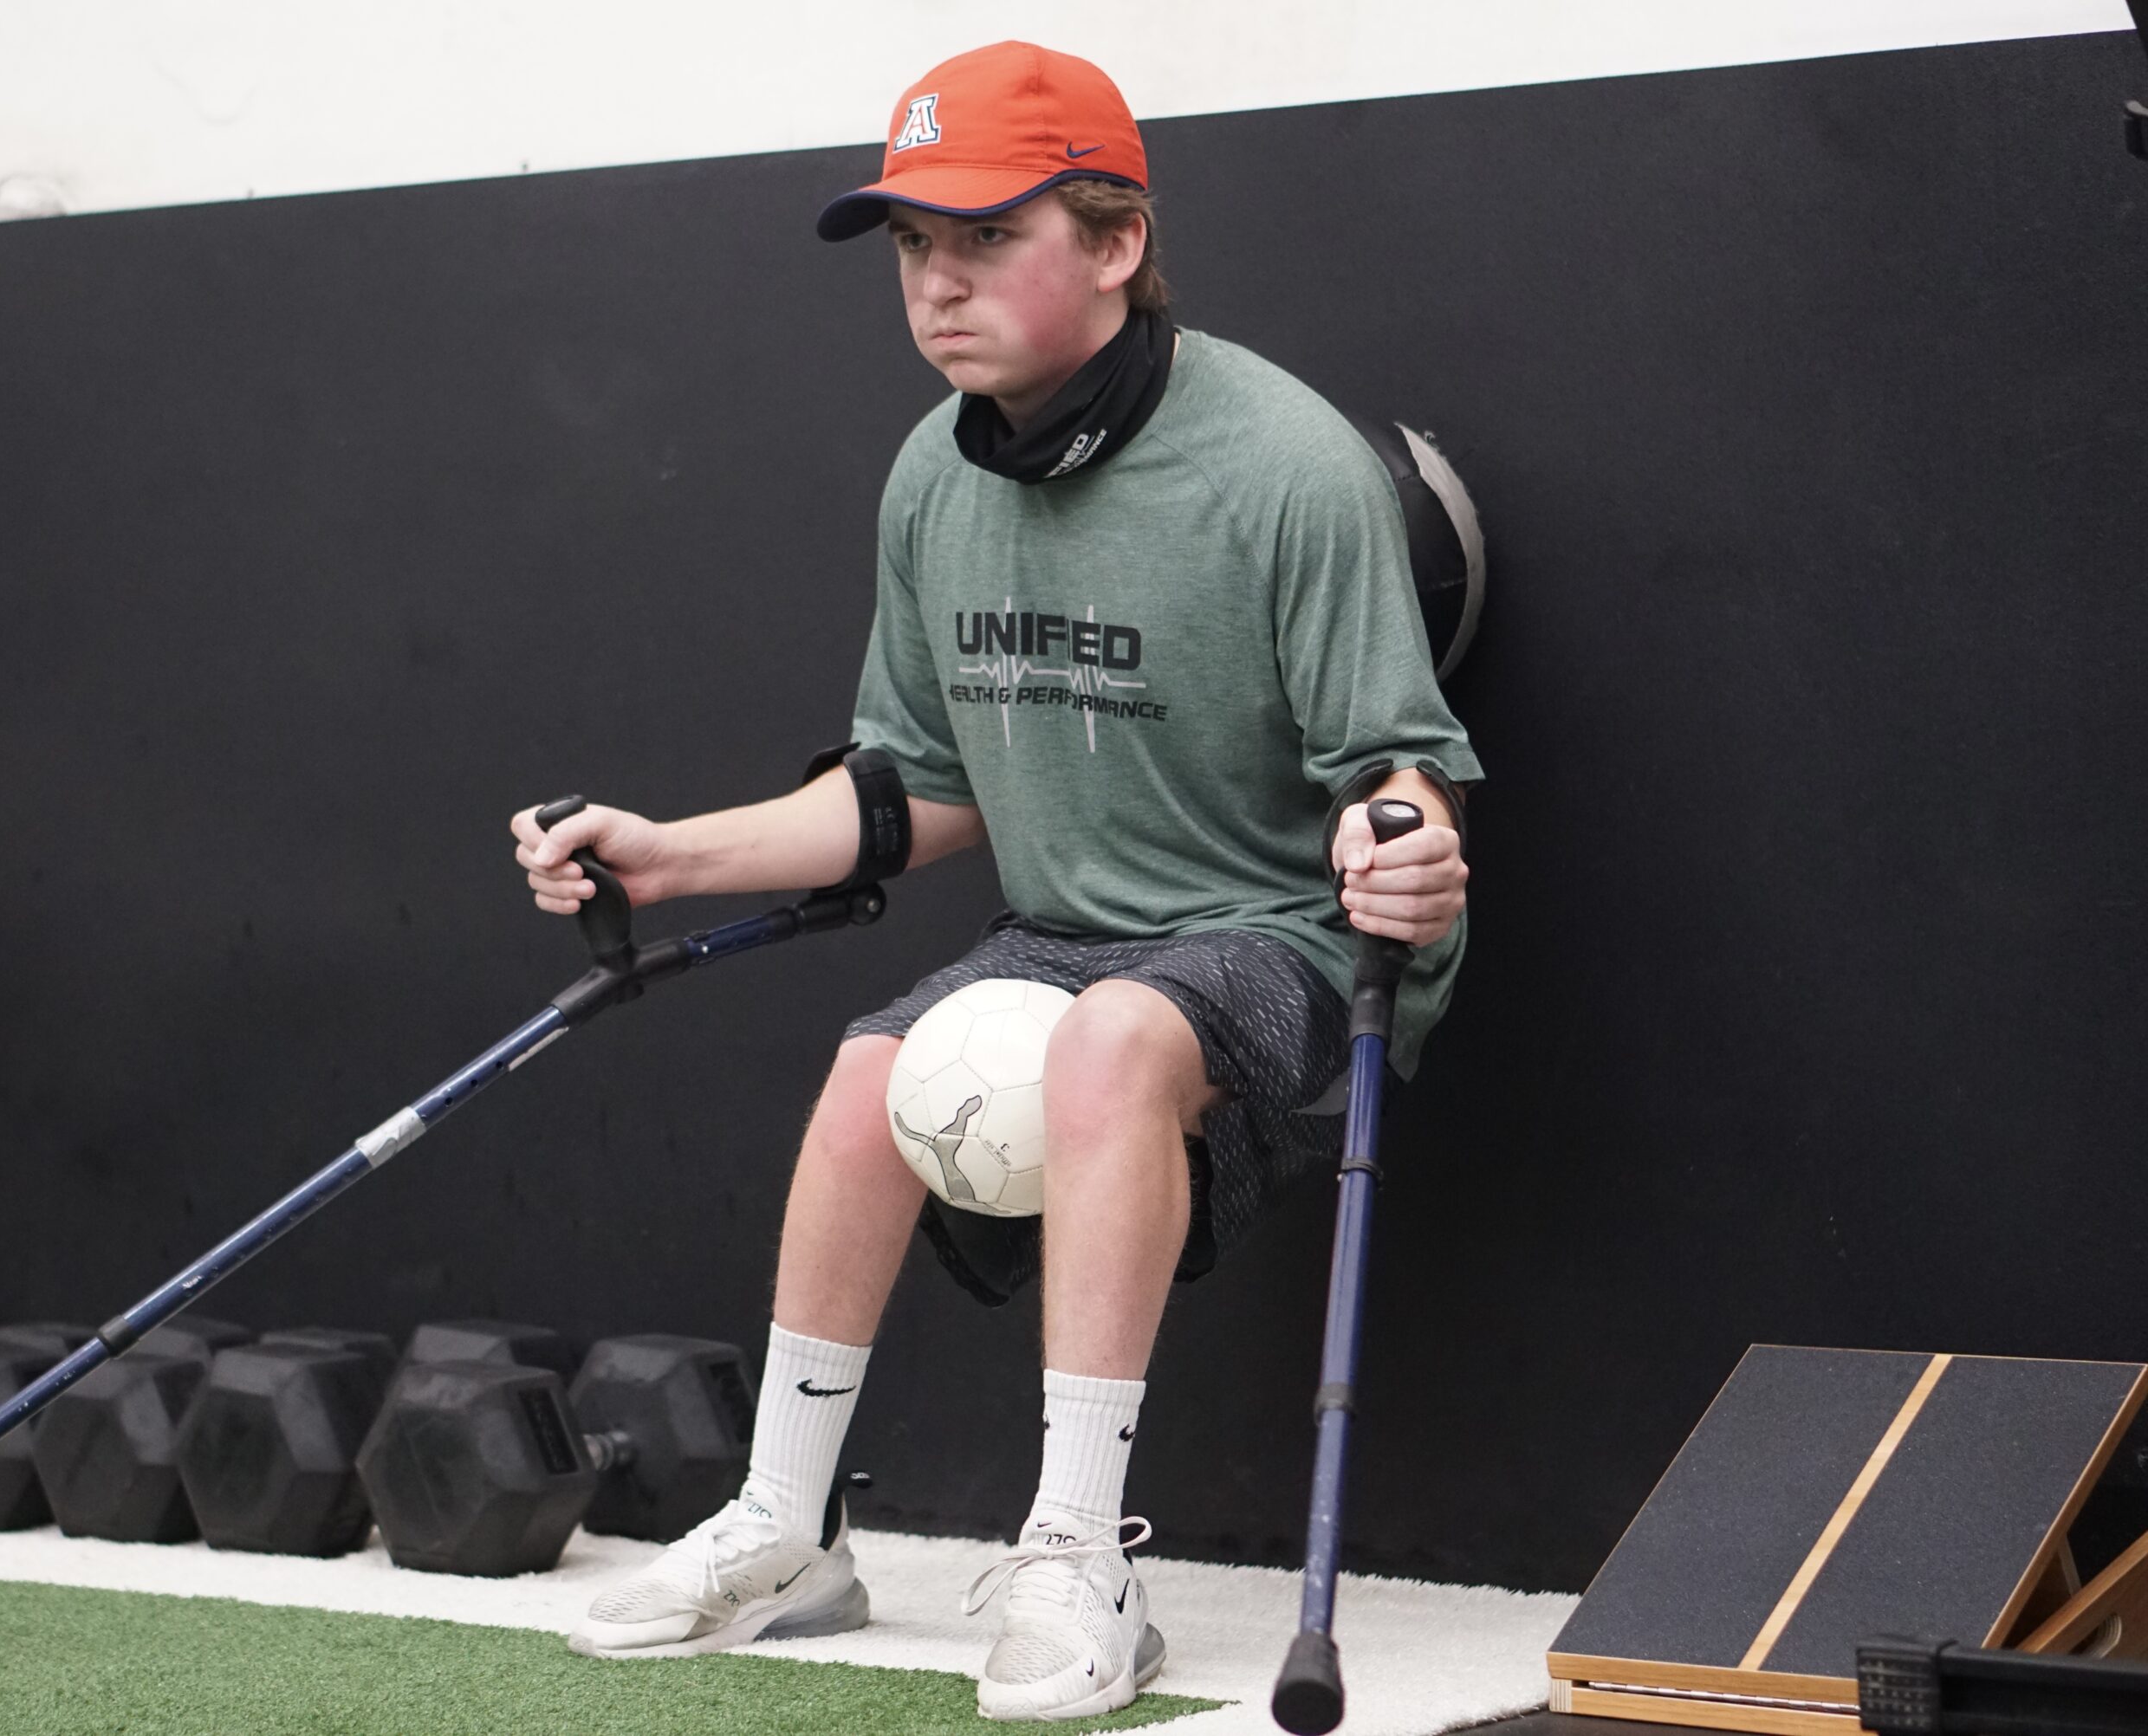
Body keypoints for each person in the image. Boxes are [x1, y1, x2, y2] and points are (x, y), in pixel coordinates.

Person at [510, 40, 1481, 1723]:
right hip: (1064, 932)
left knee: (1110, 1037)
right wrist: (671, 854)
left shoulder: (1285, 468)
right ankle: (788, 1526)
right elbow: (916, 790)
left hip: (1277, 931)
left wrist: (1401, 842)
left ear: (1111, 244)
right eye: (910, 250)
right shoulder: (931, 477)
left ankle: (1076, 1553)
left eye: (981, 240)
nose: (935, 288)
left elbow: (1394, 769)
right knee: (866, 1069)